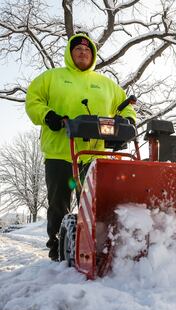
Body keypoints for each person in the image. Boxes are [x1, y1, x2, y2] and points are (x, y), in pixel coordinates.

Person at [25, 33, 136, 261]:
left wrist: (128, 122)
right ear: (70, 53)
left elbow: (125, 106)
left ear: (93, 55)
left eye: (87, 50)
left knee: (95, 204)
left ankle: (96, 246)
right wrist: (48, 116)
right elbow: (33, 100)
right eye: (78, 50)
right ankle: (57, 248)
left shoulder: (105, 84)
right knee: (59, 203)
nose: (83, 53)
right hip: (60, 153)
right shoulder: (51, 78)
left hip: (93, 155)